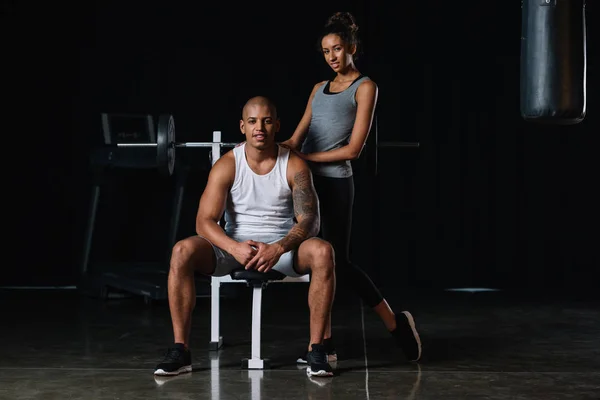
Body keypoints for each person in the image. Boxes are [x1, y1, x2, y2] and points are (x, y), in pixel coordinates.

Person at [154, 96, 336, 378]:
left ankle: (317, 350)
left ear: (277, 125)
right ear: (242, 126)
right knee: (181, 251)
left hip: (282, 248)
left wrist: (278, 247)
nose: (259, 127)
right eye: (252, 121)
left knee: (324, 251)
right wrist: (234, 247)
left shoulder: (294, 165)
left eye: (265, 121)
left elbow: (310, 221)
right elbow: (204, 221)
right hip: (233, 246)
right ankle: (181, 350)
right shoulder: (228, 164)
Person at [280, 12, 422, 363]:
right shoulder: (317, 89)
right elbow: (295, 139)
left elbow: (353, 149)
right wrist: (258, 146)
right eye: (326, 51)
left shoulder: (366, 87)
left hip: (337, 184)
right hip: (306, 186)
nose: (332, 57)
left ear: (352, 48)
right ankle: (323, 345)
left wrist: (307, 159)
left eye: (338, 49)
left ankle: (395, 323)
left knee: (339, 262)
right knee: (317, 263)